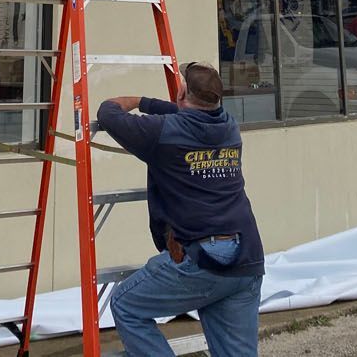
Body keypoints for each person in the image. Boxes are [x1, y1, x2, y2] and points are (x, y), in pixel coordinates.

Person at [96, 62, 264, 357]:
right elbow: (187, 113)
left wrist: (135, 100)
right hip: (246, 258)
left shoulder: (162, 134)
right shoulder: (229, 127)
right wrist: (153, 103)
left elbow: (108, 114)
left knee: (126, 304)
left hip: (202, 259)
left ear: (182, 91)